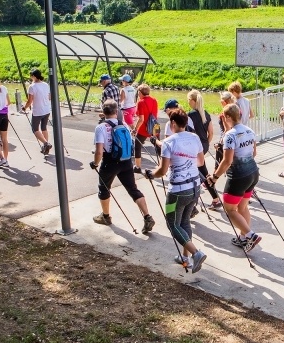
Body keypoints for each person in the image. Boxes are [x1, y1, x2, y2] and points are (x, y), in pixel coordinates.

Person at [146, 108, 207, 272]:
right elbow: (201, 162)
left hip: (178, 191)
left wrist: (151, 174)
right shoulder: (194, 138)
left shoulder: (169, 142)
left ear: (173, 123)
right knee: (185, 222)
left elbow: (162, 170)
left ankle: (196, 253)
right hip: (195, 188)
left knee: (172, 224)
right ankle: (185, 257)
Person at [91, 99, 156, 232]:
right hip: (126, 162)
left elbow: (99, 151)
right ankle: (147, 216)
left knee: (104, 188)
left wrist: (95, 163)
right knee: (133, 189)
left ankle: (105, 217)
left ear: (103, 112)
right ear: (116, 111)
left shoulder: (101, 127)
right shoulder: (124, 125)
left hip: (109, 162)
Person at [207, 104, 261, 252]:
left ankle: (251, 235)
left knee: (230, 209)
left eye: (223, 117)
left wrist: (215, 177)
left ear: (228, 117)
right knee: (242, 207)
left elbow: (227, 161)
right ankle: (243, 238)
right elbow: (253, 153)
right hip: (253, 173)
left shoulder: (230, 135)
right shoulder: (249, 130)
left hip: (238, 176)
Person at [187, 89, 222, 209]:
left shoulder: (190, 115)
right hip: (204, 145)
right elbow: (211, 132)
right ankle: (213, 197)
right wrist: (206, 143)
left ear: (192, 100)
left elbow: (188, 132)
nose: (188, 102)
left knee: (201, 173)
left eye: (188, 100)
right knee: (201, 170)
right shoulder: (206, 113)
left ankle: (215, 199)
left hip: (195, 147)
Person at [23, 68, 52, 155]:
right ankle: (46, 147)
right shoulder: (46, 85)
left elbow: (30, 101)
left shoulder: (32, 87)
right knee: (44, 128)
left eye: (31, 76)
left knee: (35, 129)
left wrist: (24, 108)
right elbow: (49, 97)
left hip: (38, 111)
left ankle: (46, 143)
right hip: (46, 109)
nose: (30, 78)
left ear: (34, 76)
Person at [132, 83, 159, 173]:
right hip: (155, 125)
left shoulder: (141, 102)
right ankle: (163, 165)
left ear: (140, 92)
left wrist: (135, 129)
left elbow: (141, 119)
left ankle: (138, 166)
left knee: (137, 146)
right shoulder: (154, 100)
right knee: (158, 146)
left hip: (144, 127)